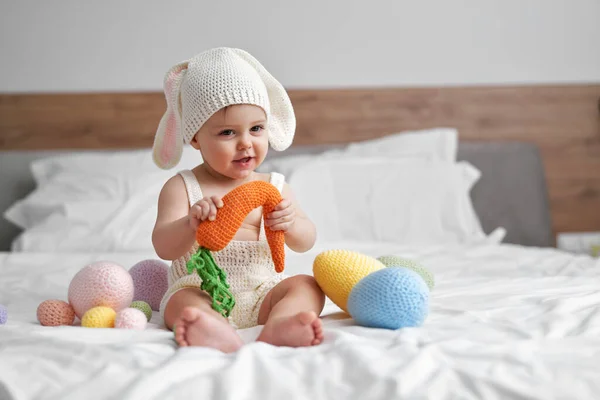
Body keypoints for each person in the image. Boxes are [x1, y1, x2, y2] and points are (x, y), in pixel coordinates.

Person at [151, 47, 325, 353]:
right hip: (200, 287)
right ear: (195, 137)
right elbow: (163, 247)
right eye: (228, 132)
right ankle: (209, 327)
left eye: (256, 128)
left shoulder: (276, 187)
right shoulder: (182, 187)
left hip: (263, 292)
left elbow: (306, 241)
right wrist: (190, 223)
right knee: (181, 303)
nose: (246, 143)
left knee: (307, 285)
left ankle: (281, 323)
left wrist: (292, 224)